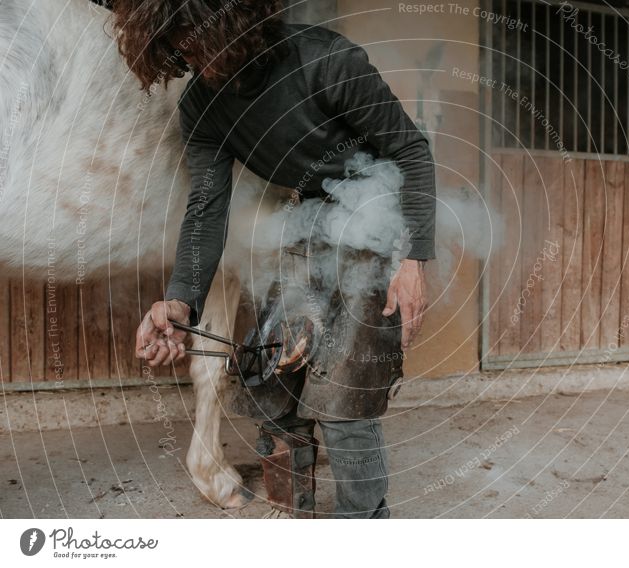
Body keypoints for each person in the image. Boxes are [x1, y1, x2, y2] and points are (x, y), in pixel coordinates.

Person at [110, 0, 436, 518]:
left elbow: (413, 152)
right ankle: (295, 512)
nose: (186, 55)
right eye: (175, 47)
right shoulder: (203, 104)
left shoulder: (329, 61)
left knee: (345, 402)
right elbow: (205, 209)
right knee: (272, 382)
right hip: (304, 225)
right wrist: (179, 302)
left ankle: (364, 524)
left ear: (229, 19)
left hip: (376, 225)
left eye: (191, 37)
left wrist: (414, 260)